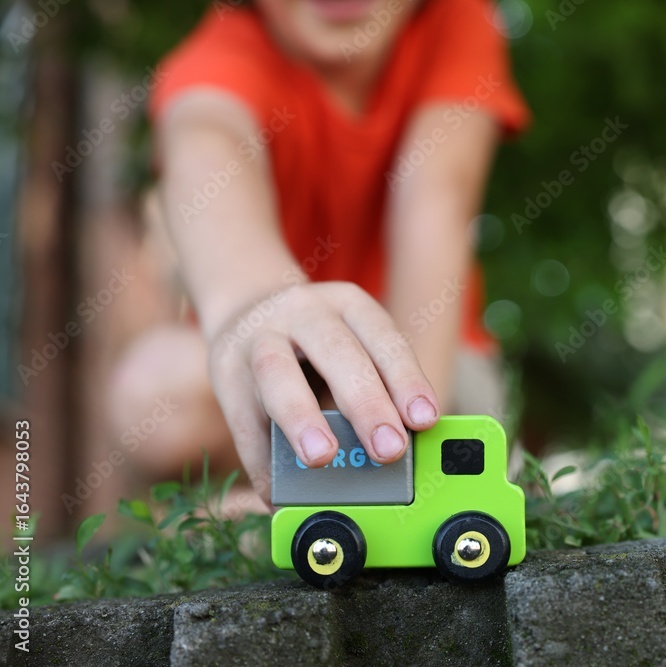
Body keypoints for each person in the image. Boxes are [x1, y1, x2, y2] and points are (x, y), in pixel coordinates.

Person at [107, 0, 528, 509]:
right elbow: (206, 149)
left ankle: (283, 494)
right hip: (281, 372)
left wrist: (408, 440)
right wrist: (257, 302)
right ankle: (272, 488)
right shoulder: (215, 59)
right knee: (153, 390)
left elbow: (435, 200)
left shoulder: (456, 23)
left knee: (424, 412)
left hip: (429, 358)